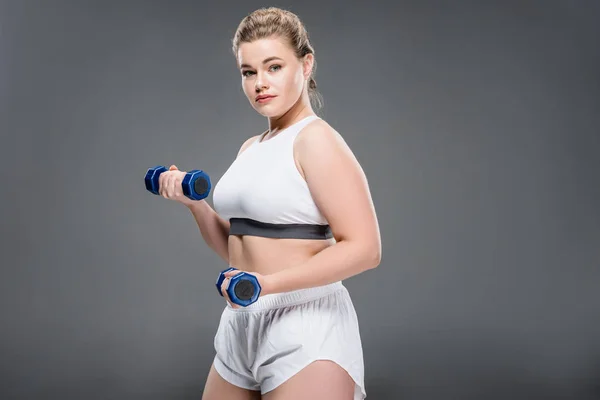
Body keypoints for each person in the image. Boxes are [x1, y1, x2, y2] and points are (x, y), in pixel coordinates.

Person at [157, 7, 381, 400]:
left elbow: (365, 249)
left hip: (305, 322)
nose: (260, 83)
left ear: (306, 64)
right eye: (248, 72)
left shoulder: (316, 140)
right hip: (242, 319)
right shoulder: (251, 147)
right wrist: (196, 205)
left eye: (273, 67)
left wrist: (269, 285)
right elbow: (237, 246)